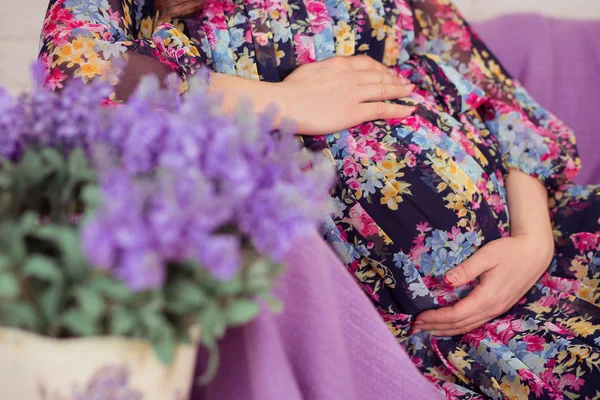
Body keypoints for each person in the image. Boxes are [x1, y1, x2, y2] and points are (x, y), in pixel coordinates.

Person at [39, 0, 600, 397]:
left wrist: (533, 241)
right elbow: (77, 69)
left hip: (542, 254)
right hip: (432, 332)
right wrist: (283, 103)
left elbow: (499, 98)